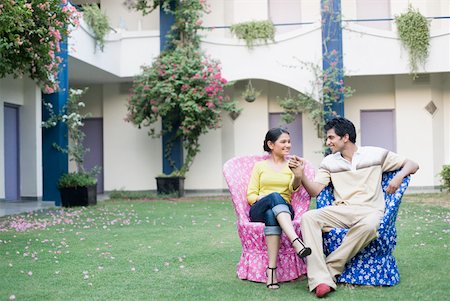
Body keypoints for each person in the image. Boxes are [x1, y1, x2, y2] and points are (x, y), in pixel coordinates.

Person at [289, 117, 419, 298]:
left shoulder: (375, 154)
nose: (328, 142)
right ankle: (320, 278)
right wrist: (301, 175)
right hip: (341, 210)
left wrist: (399, 176)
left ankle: (328, 271)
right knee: (308, 217)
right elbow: (314, 191)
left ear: (345, 137)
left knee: (370, 226)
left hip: (370, 210)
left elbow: (413, 164)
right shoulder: (328, 162)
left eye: (331, 137)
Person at [247, 127, 311, 290]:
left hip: (283, 210)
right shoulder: (259, 166)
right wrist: (266, 198)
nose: (288, 145)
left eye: (289, 141)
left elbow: (293, 190)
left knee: (272, 214)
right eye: (283, 141)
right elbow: (251, 196)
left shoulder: (291, 165)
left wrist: (298, 175)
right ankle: (296, 241)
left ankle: (272, 271)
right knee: (274, 198)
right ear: (270, 144)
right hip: (258, 208)